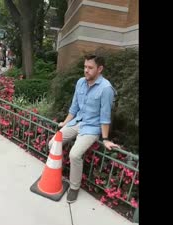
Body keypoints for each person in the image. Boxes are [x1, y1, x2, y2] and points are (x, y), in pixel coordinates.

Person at [48, 54, 120, 203]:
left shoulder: (106, 88)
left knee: (75, 155)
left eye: (90, 68)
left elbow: (105, 116)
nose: (86, 70)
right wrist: (65, 123)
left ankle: (74, 188)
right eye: (85, 67)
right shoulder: (81, 82)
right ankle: (56, 174)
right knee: (53, 143)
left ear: (100, 69)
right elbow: (74, 108)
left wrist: (105, 139)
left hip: (92, 128)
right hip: (77, 121)